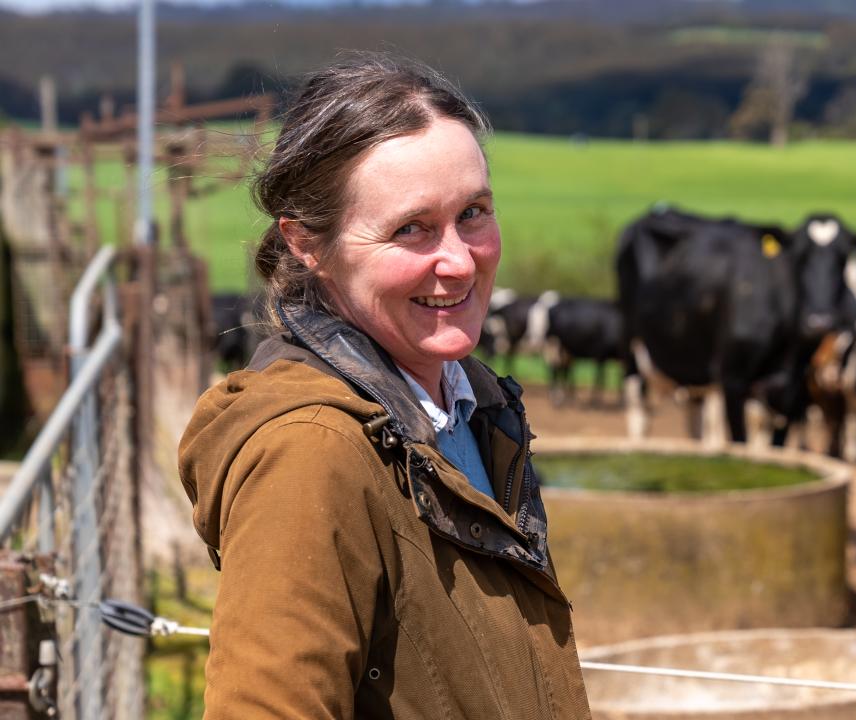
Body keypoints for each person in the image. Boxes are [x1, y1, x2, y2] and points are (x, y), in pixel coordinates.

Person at [179, 53, 592, 719]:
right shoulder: (309, 453)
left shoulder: (468, 407)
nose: (458, 261)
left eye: (475, 212)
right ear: (307, 243)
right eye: (411, 228)